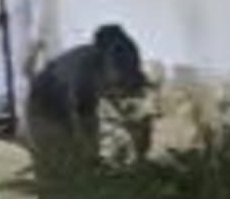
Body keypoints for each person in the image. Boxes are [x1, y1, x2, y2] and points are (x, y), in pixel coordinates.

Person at [23, 22, 148, 153]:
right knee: (63, 156)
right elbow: (85, 118)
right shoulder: (84, 71)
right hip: (45, 104)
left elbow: (135, 112)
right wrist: (91, 154)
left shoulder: (127, 63)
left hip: (68, 98)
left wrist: (139, 142)